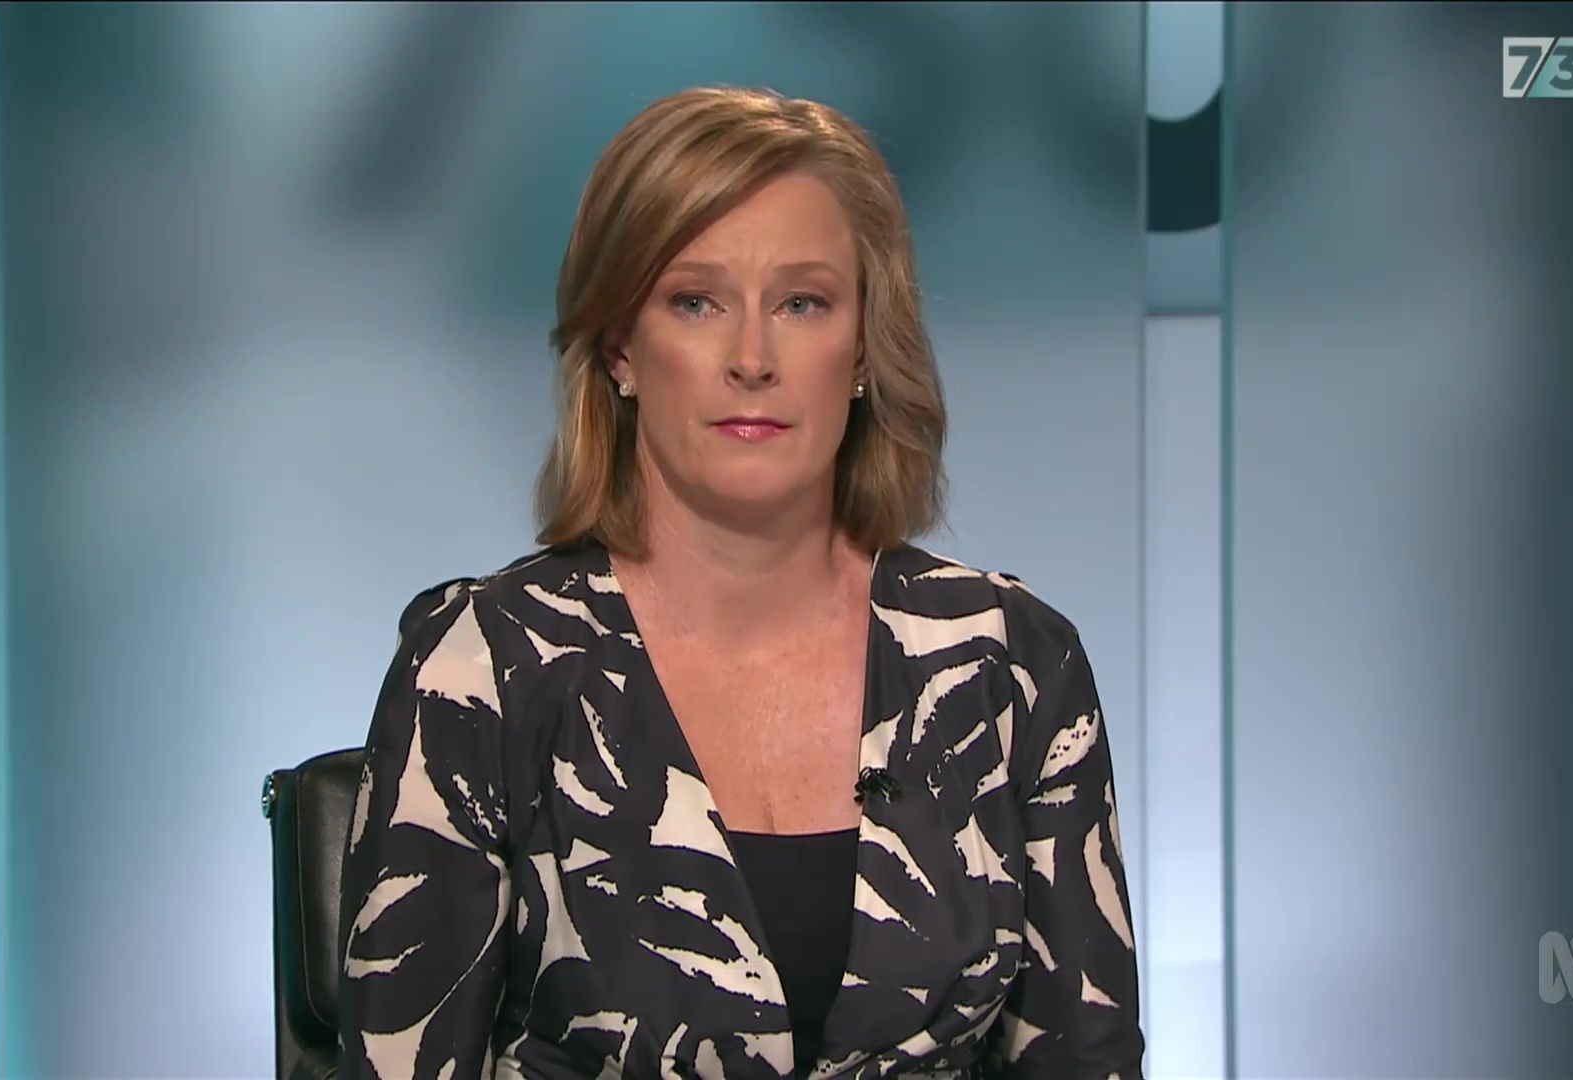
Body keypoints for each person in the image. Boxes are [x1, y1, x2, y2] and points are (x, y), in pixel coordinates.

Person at [336, 85, 1145, 1080]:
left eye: (803, 304)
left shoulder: (1010, 665)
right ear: (620, 347)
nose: (752, 358)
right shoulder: (484, 671)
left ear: (862, 350)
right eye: (696, 302)